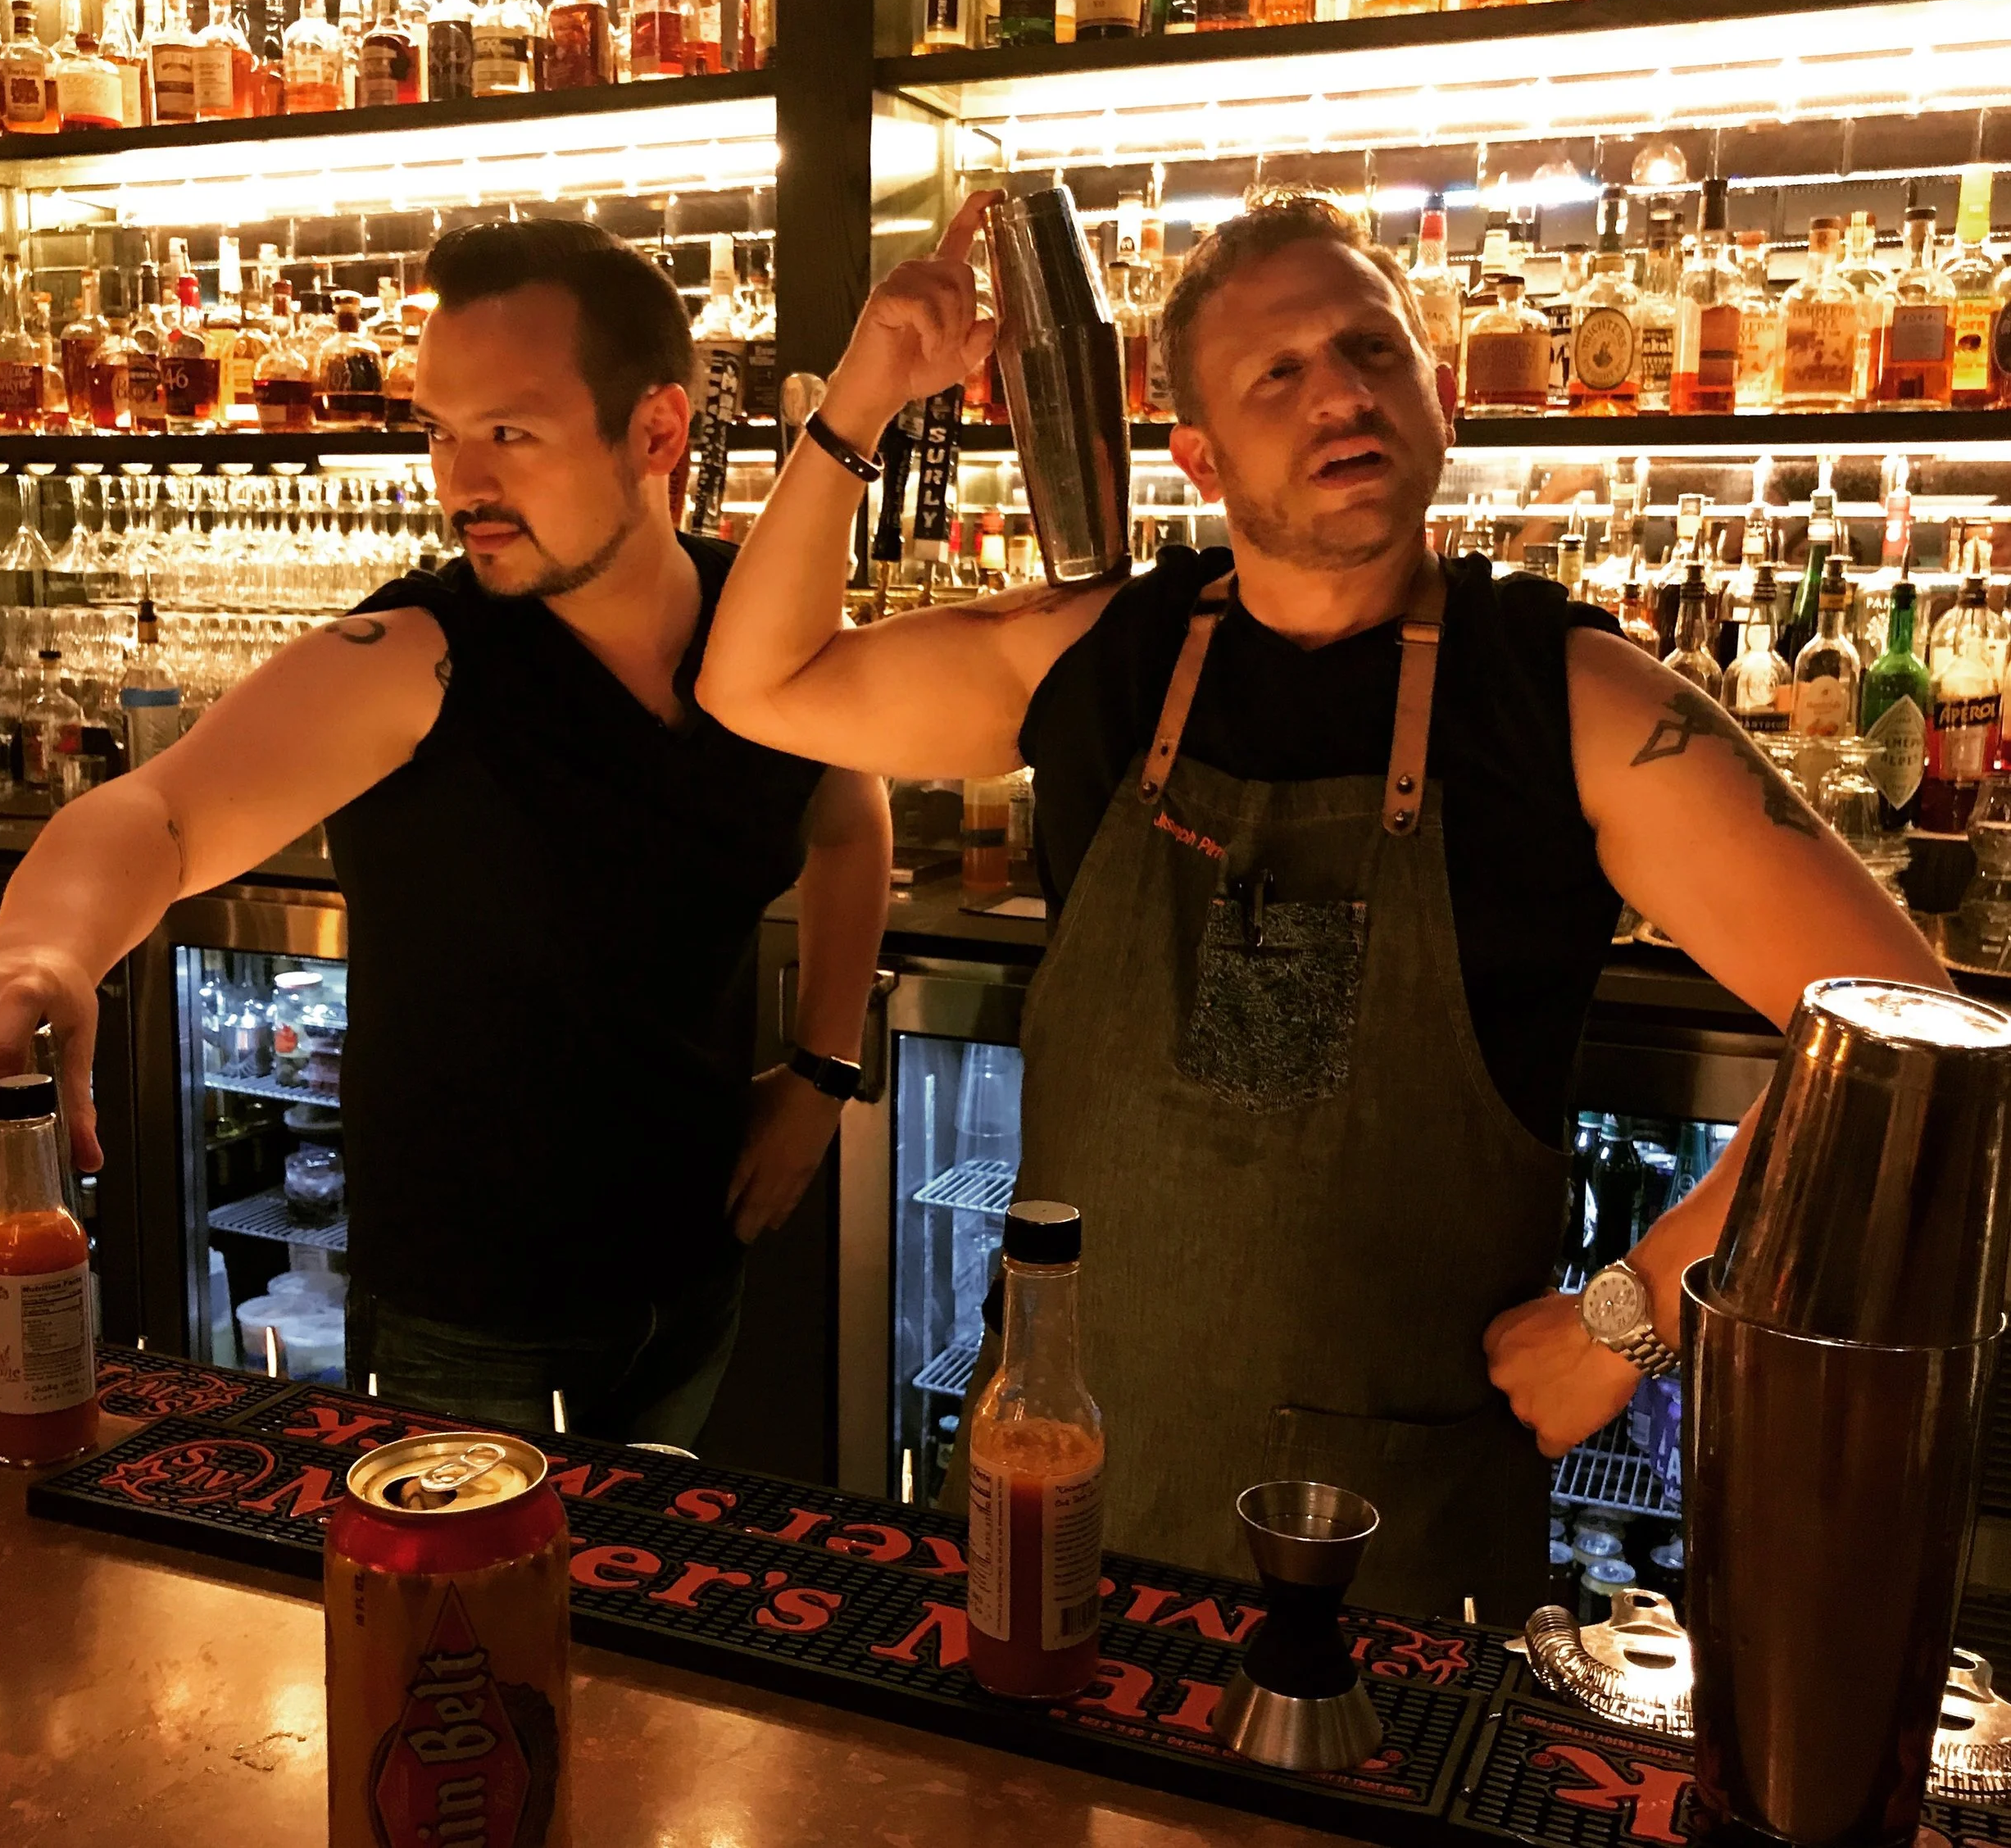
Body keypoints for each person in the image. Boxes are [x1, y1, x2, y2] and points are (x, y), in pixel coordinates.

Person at [696, 190, 1946, 1619]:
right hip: (1060, 1477)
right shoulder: (1107, 654)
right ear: (1199, 458)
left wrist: (1642, 1309)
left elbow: (1910, 1033)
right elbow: (759, 684)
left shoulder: (1568, 700)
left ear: (1444, 399)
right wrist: (865, 392)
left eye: (1371, 350)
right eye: (1277, 375)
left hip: (1388, 1543)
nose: (1340, 392)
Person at [0, 220, 892, 1448]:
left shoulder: (760, 640)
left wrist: (824, 1078)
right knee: (459, 1630)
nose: (458, 482)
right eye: (441, 433)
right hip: (473, 1315)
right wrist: (46, 949)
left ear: (657, 430)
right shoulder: (417, 658)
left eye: (508, 433)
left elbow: (850, 815)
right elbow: (162, 813)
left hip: (696, 1266)